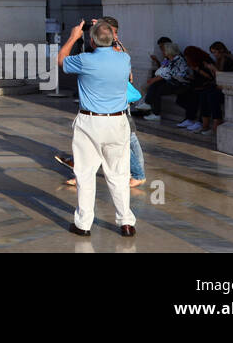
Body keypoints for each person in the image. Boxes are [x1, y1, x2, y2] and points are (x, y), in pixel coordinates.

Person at [58, 19, 137, 236]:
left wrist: (74, 36)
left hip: (90, 121)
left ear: (91, 41)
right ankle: (126, 222)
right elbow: (119, 48)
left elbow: (61, 60)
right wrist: (108, 32)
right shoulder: (124, 58)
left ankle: (84, 224)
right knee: (119, 174)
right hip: (117, 121)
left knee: (85, 173)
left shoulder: (85, 60)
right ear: (113, 39)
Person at [140, 41, 191, 120]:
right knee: (155, 86)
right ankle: (148, 104)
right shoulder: (168, 60)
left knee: (157, 89)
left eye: (164, 50)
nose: (162, 52)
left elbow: (166, 75)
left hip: (180, 84)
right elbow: (161, 69)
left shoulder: (178, 60)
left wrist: (152, 80)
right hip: (171, 82)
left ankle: (154, 112)